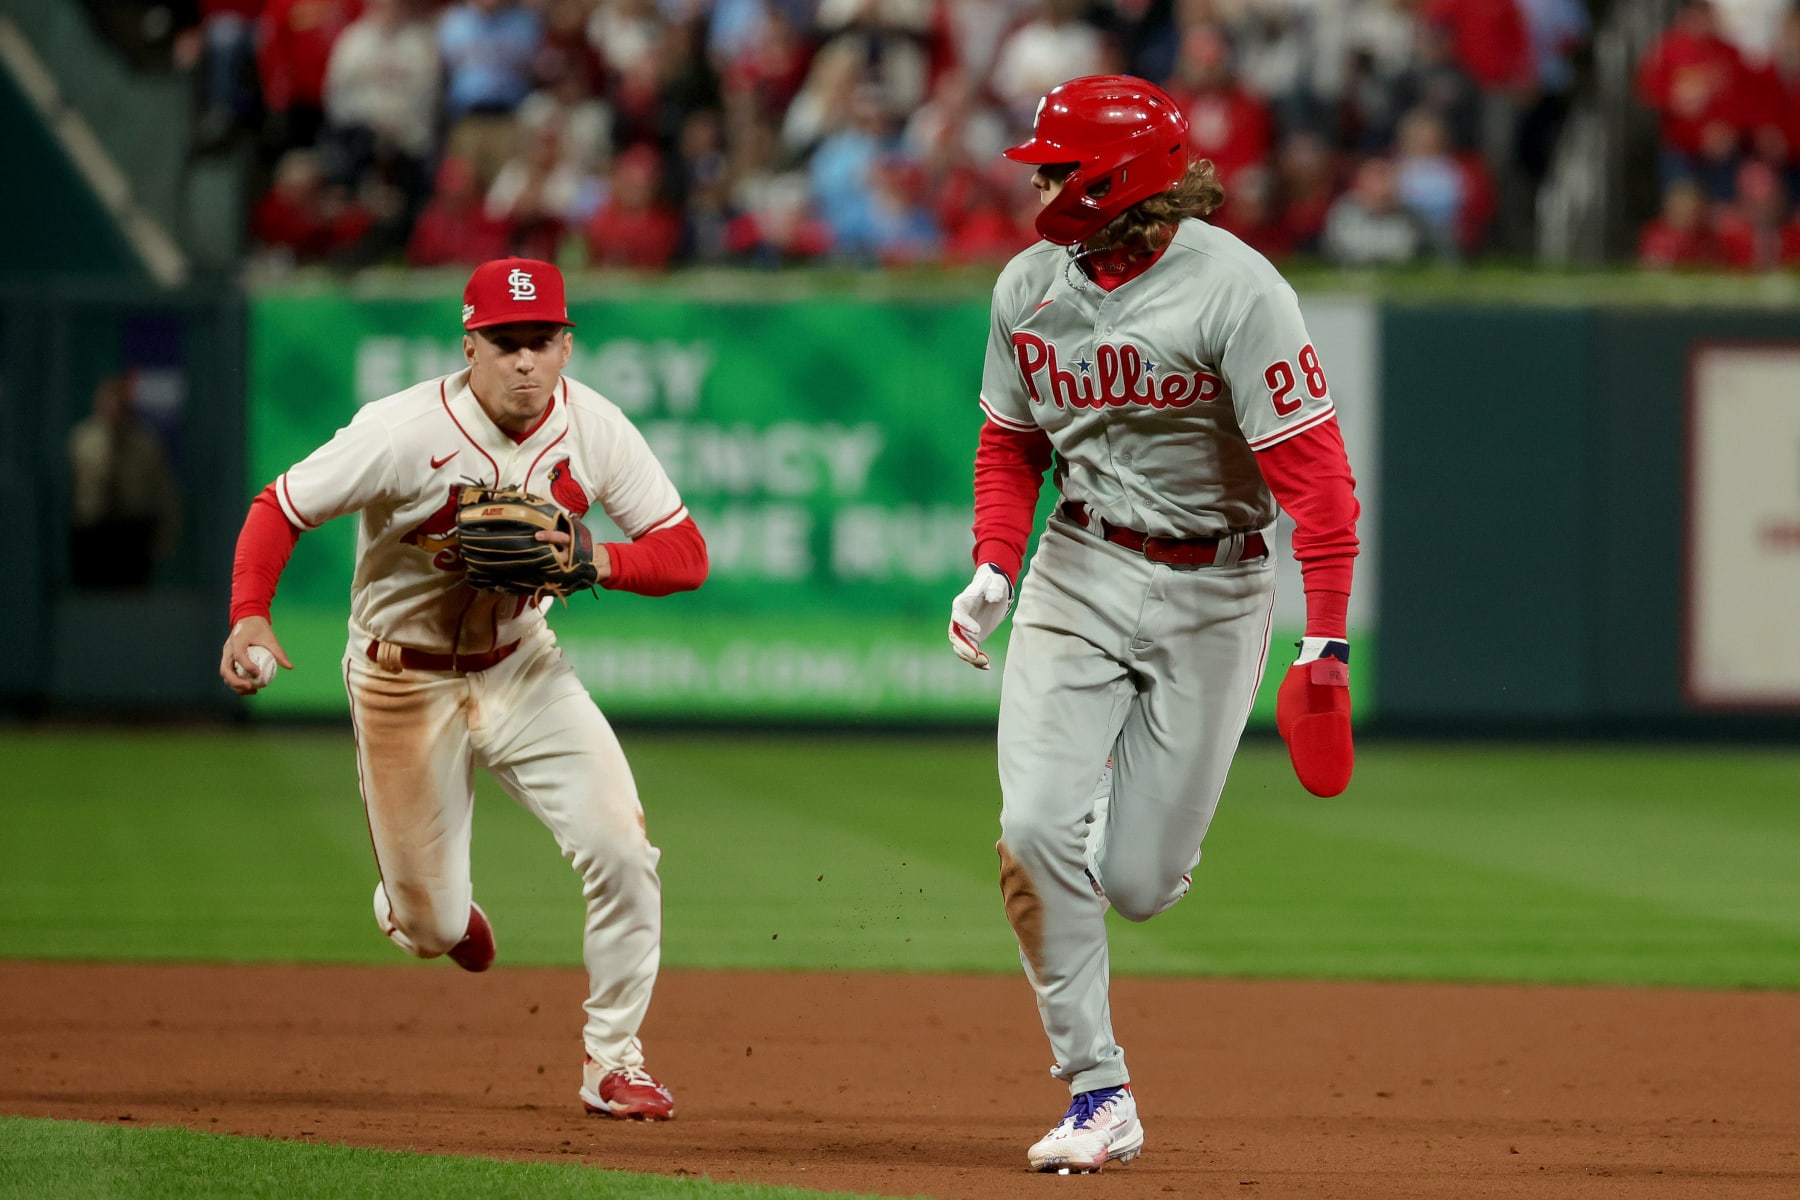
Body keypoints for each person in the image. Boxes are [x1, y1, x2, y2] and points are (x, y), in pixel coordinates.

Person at [945, 75, 1360, 1174]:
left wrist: (1327, 640)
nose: (1035, 180)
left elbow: (1319, 485)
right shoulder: (1027, 286)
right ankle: (1098, 1092)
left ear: (1108, 179)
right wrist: (995, 560)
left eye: (1052, 164)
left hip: (1214, 590)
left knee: (1133, 882)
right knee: (1033, 829)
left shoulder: (1238, 290)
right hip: (1076, 567)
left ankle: (1104, 857)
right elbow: (1010, 443)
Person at [218, 257, 708, 1120]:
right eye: (505, 342)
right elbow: (280, 506)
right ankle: (416, 908)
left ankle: (613, 1062)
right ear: (469, 344)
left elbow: (685, 554)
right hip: (401, 679)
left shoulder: (595, 427)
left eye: (542, 342)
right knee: (435, 930)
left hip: (524, 665)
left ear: (566, 344)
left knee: (625, 851)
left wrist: (597, 559)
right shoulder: (401, 429)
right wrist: (251, 614)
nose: (525, 361)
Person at [67, 375, 182, 588]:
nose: (114, 414)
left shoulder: (146, 446)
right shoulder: (81, 443)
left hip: (133, 536)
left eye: (119, 407)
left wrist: (166, 534)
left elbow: (164, 493)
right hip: (91, 535)